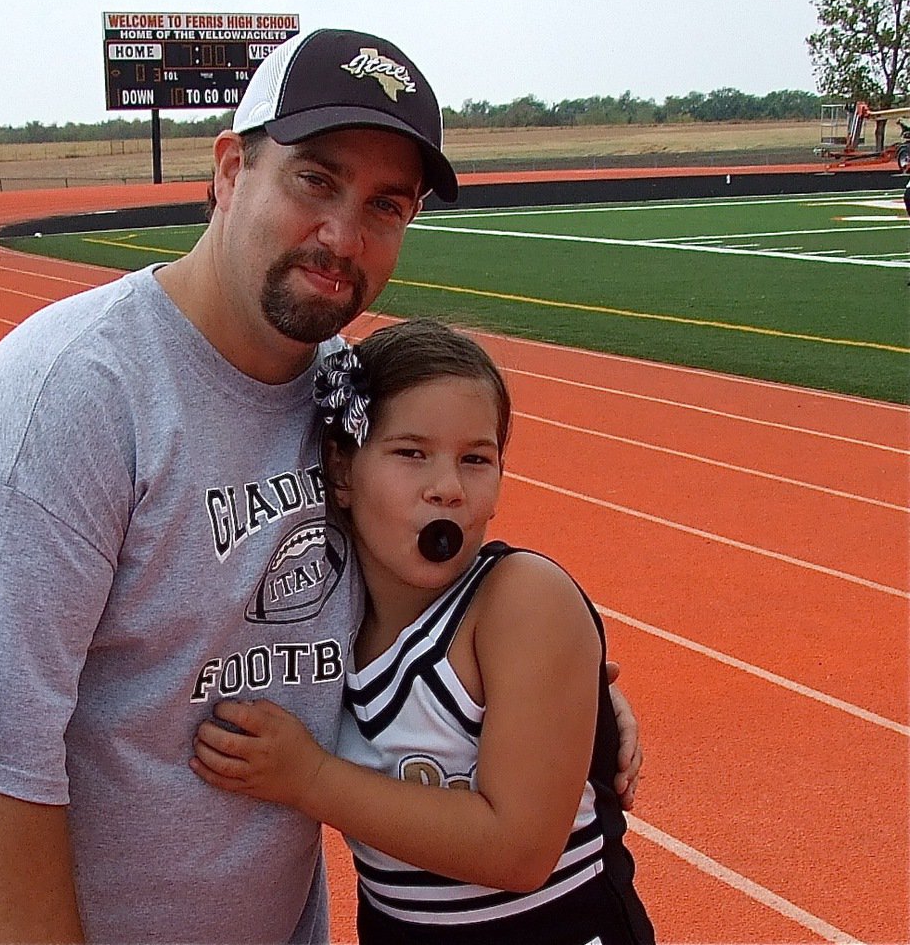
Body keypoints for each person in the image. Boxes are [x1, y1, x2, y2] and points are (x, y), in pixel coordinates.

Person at [0, 28, 641, 944]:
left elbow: (422, 598)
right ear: (231, 169)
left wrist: (555, 696)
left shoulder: (346, 393)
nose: (344, 235)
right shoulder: (64, 404)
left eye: (386, 205)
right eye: (314, 180)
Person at [191, 319, 654, 945]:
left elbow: (518, 851)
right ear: (344, 473)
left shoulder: (519, 599)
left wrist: (310, 779)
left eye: (476, 460)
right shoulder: (326, 622)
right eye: (411, 453)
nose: (447, 489)